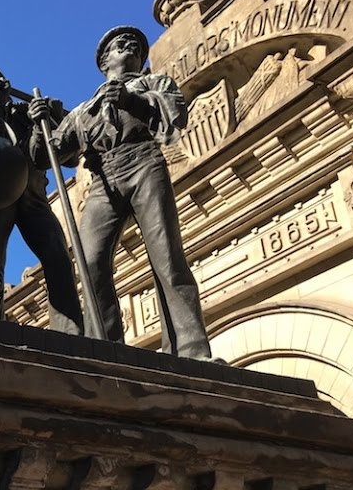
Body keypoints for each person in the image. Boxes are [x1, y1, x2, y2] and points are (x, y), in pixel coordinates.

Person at [29, 25, 217, 361]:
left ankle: (191, 350)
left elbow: (173, 113)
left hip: (143, 161)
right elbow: (49, 154)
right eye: (120, 44)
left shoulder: (152, 83)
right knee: (90, 264)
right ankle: (106, 351)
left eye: (135, 45)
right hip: (103, 179)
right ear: (105, 60)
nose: (129, 45)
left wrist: (133, 101)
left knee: (166, 257)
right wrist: (38, 125)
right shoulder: (83, 111)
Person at [0, 64, 83, 335]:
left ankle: (70, 334)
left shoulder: (26, 112)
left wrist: (53, 121)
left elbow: (69, 157)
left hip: (32, 194)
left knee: (58, 256)